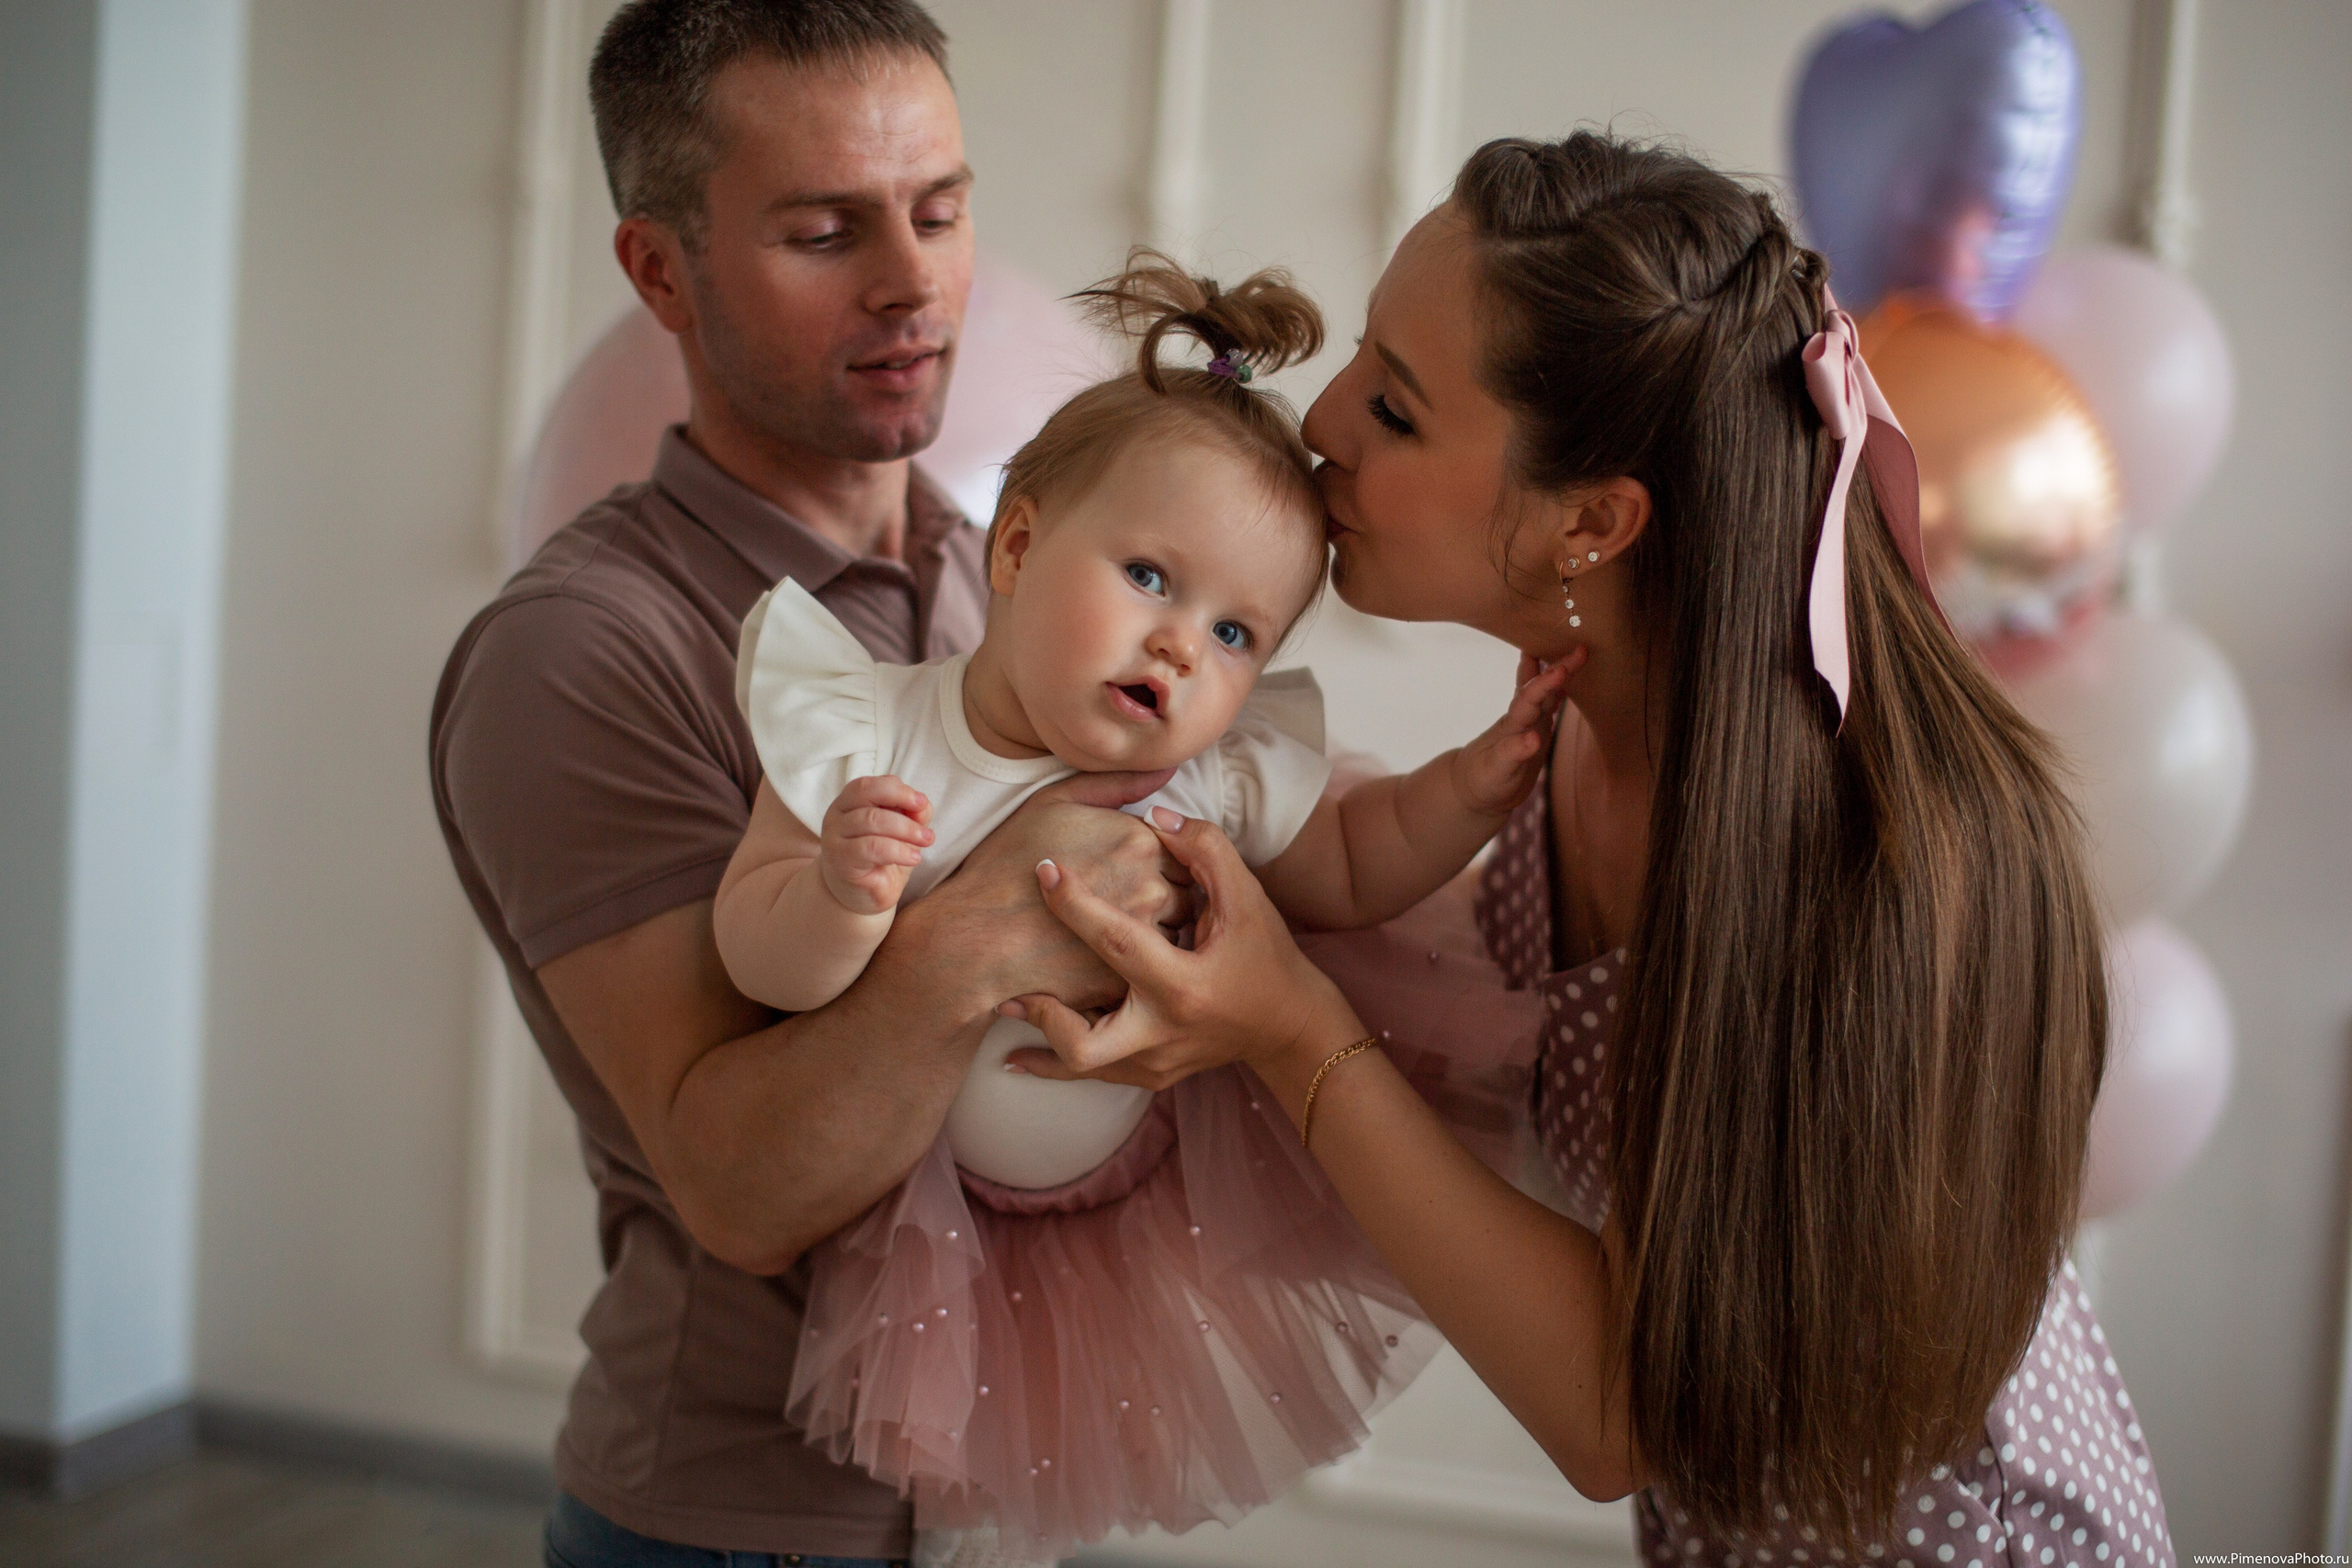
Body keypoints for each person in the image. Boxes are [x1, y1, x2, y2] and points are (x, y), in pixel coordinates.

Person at [1006, 132, 2177, 1563]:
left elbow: (1621, 1417)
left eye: (1397, 404)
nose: (1324, 425)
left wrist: (1287, 1027)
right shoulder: (1564, 741)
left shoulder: (1859, 863)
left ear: (1593, 524)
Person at [429, 4, 1187, 1563]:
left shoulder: (1001, 578)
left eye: (942, 208)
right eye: (825, 229)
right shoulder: (579, 651)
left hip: (991, 1493)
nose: (913, 282)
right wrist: (1010, 912)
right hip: (737, 1517)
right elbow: (739, 1182)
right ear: (661, 273)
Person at [712, 252, 1566, 1561]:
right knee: (934, 1488)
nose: (1181, 644)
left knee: (1039, 1500)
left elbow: (1351, 861)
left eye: (1237, 635)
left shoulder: (1212, 774)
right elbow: (756, 947)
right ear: (1017, 542)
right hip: (926, 1211)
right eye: (1153, 580)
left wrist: (1473, 785)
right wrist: (838, 895)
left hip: (1140, 1200)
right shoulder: (874, 734)